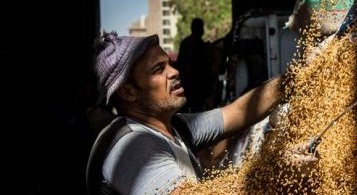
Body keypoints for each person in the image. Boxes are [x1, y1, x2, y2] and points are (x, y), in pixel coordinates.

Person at [86, 32, 315, 195]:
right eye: (159, 69)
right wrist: (272, 170)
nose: (174, 72)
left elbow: (239, 111)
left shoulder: (175, 127)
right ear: (128, 92)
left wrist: (297, 76)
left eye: (169, 63)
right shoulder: (132, 147)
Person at [176, 18, 218, 113]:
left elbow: (180, 63)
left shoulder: (185, 43)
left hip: (186, 84)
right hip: (197, 86)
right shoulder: (200, 45)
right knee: (197, 111)